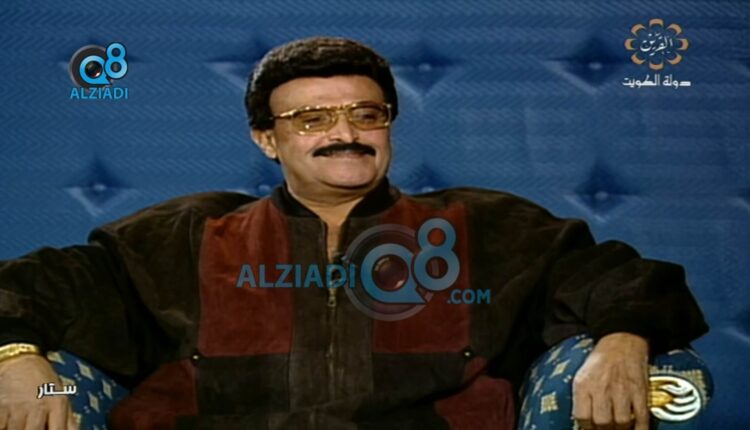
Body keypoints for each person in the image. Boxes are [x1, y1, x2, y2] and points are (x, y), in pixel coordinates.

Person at [0, 36, 708, 430]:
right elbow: (28, 289)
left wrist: (622, 340)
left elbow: (625, 279)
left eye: (366, 115)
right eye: (311, 120)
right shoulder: (183, 235)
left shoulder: (484, 227)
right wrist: (15, 354)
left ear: (389, 126)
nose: (345, 133)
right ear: (267, 139)